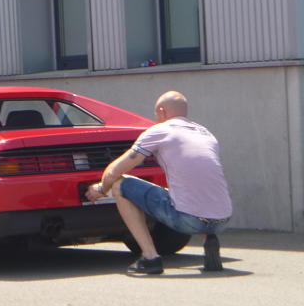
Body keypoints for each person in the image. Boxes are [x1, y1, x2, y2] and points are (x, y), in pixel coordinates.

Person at [85, 91, 232, 275]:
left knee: (119, 185)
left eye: (156, 114)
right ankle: (209, 240)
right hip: (222, 220)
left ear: (162, 111)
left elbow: (114, 171)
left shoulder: (160, 130)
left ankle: (150, 257)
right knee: (192, 186)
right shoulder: (205, 133)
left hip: (188, 221)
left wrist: (100, 188)